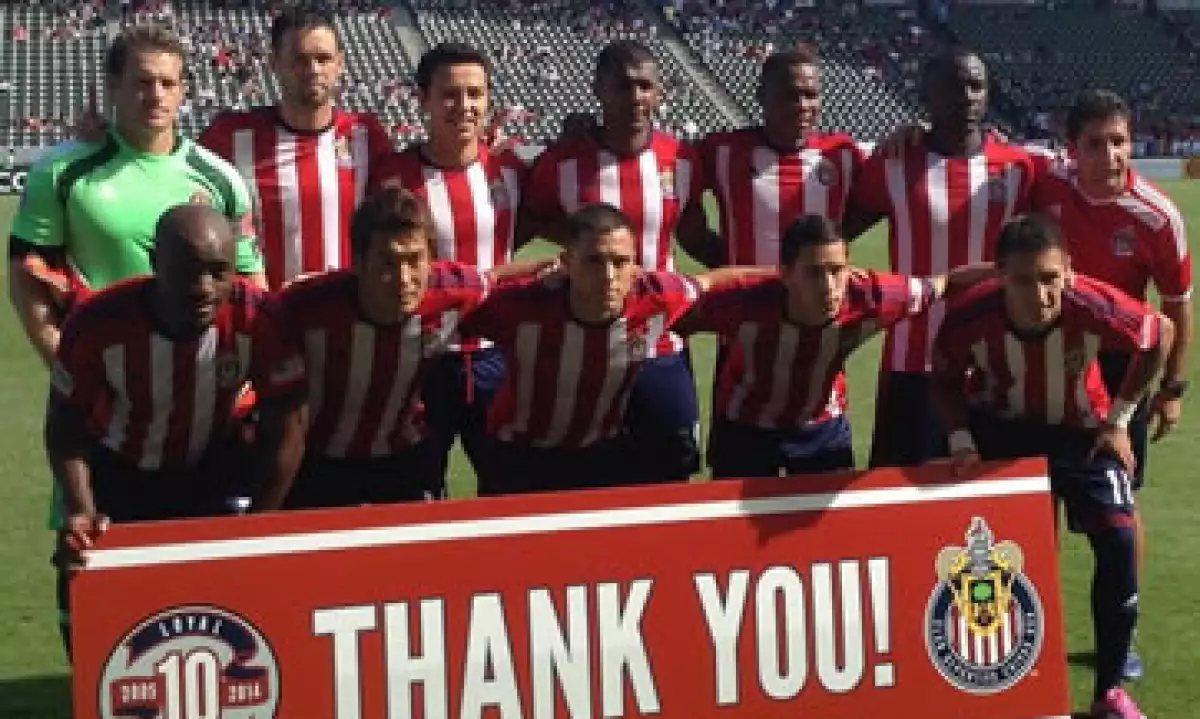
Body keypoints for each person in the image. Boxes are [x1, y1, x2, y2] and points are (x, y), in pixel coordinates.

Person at [931, 214, 1172, 719]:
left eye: (1049, 278)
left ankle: (1109, 691)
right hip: (1002, 432)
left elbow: (1158, 335)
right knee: (999, 555)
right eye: (1023, 280)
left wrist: (1120, 420)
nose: (1040, 294)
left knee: (1121, 538)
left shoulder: (1093, 304)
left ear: (1068, 271)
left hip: (1080, 433)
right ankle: (1005, 675)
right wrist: (960, 440)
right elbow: (945, 375)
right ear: (999, 276)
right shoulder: (970, 316)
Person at [47, 204, 309, 657]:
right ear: (155, 263)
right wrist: (81, 509)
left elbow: (288, 423)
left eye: (218, 272)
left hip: (215, 467)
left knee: (233, 596)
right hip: (124, 469)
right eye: (188, 271)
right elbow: (66, 426)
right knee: (85, 575)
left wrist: (262, 522)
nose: (204, 289)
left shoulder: (260, 318)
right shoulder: (96, 324)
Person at [1030, 89, 1192, 682]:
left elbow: (1176, 308)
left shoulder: (1157, 216)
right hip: (1050, 356)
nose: (1111, 154)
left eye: (1119, 140)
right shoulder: (1046, 189)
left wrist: (1173, 387)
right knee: (1035, 494)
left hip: (1125, 365)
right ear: (1073, 150)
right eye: (1095, 143)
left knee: (1121, 501)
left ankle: (1120, 639)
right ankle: (1034, 628)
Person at [458, 203, 766, 494]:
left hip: (598, 455)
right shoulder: (520, 306)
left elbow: (714, 281)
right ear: (566, 263)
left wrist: (791, 275)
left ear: (635, 266)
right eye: (593, 261)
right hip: (518, 458)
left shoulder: (655, 298)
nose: (608, 276)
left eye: (619, 263)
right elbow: (455, 299)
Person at [9, 25, 265, 370]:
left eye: (168, 83)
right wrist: (66, 366)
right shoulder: (60, 172)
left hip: (200, 381)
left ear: (182, 91)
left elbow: (251, 287)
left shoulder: (221, 178)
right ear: (114, 87)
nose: (157, 94)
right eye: (143, 82)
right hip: (102, 374)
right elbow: (28, 280)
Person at [279, 187, 552, 507]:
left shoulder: (454, 289)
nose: (403, 277)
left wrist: (562, 266)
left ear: (432, 260)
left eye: (414, 260)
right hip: (320, 462)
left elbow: (494, 280)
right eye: (388, 262)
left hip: (402, 459)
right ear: (357, 262)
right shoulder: (306, 307)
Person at [520, 40, 712, 483]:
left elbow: (695, 233)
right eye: (623, 86)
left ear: (660, 92)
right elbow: (522, 227)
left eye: (646, 86)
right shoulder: (562, 163)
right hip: (583, 351)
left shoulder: (681, 160)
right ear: (598, 90)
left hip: (661, 345)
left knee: (670, 479)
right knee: (585, 481)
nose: (636, 97)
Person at [675, 214, 987, 477]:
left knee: (831, 534)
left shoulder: (874, 298)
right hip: (746, 426)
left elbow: (945, 283)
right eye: (813, 273)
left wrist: (1008, 273)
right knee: (738, 536)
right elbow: (676, 317)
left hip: (821, 429)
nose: (828, 286)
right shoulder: (742, 301)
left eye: (837, 271)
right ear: (784, 274)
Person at [845, 45, 1038, 468]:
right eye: (955, 85)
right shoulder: (895, 161)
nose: (968, 96)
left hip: (994, 362)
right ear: (926, 93)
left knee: (988, 498)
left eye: (977, 86)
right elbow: (840, 229)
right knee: (903, 498)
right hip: (912, 357)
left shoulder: (1018, 166)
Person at [368, 43, 527, 487]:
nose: (465, 106)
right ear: (425, 99)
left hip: (497, 356)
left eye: (475, 94)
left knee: (507, 490)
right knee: (414, 490)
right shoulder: (392, 178)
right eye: (451, 94)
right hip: (420, 359)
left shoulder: (510, 171)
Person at [198, 6, 393, 289]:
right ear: (274, 63)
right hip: (263, 317)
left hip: (343, 313)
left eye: (323, 59)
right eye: (299, 59)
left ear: (340, 62)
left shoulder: (366, 135)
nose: (313, 70)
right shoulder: (230, 135)